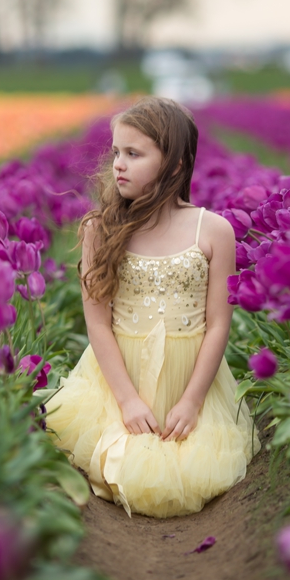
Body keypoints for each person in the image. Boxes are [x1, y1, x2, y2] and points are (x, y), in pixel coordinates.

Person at [44, 97, 258, 518]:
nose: (118, 165)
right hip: (119, 379)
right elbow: (98, 324)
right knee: (119, 463)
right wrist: (127, 401)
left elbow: (218, 325)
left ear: (175, 165)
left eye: (134, 154)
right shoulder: (101, 229)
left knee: (189, 468)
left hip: (189, 380)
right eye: (116, 152)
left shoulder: (214, 230)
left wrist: (192, 402)